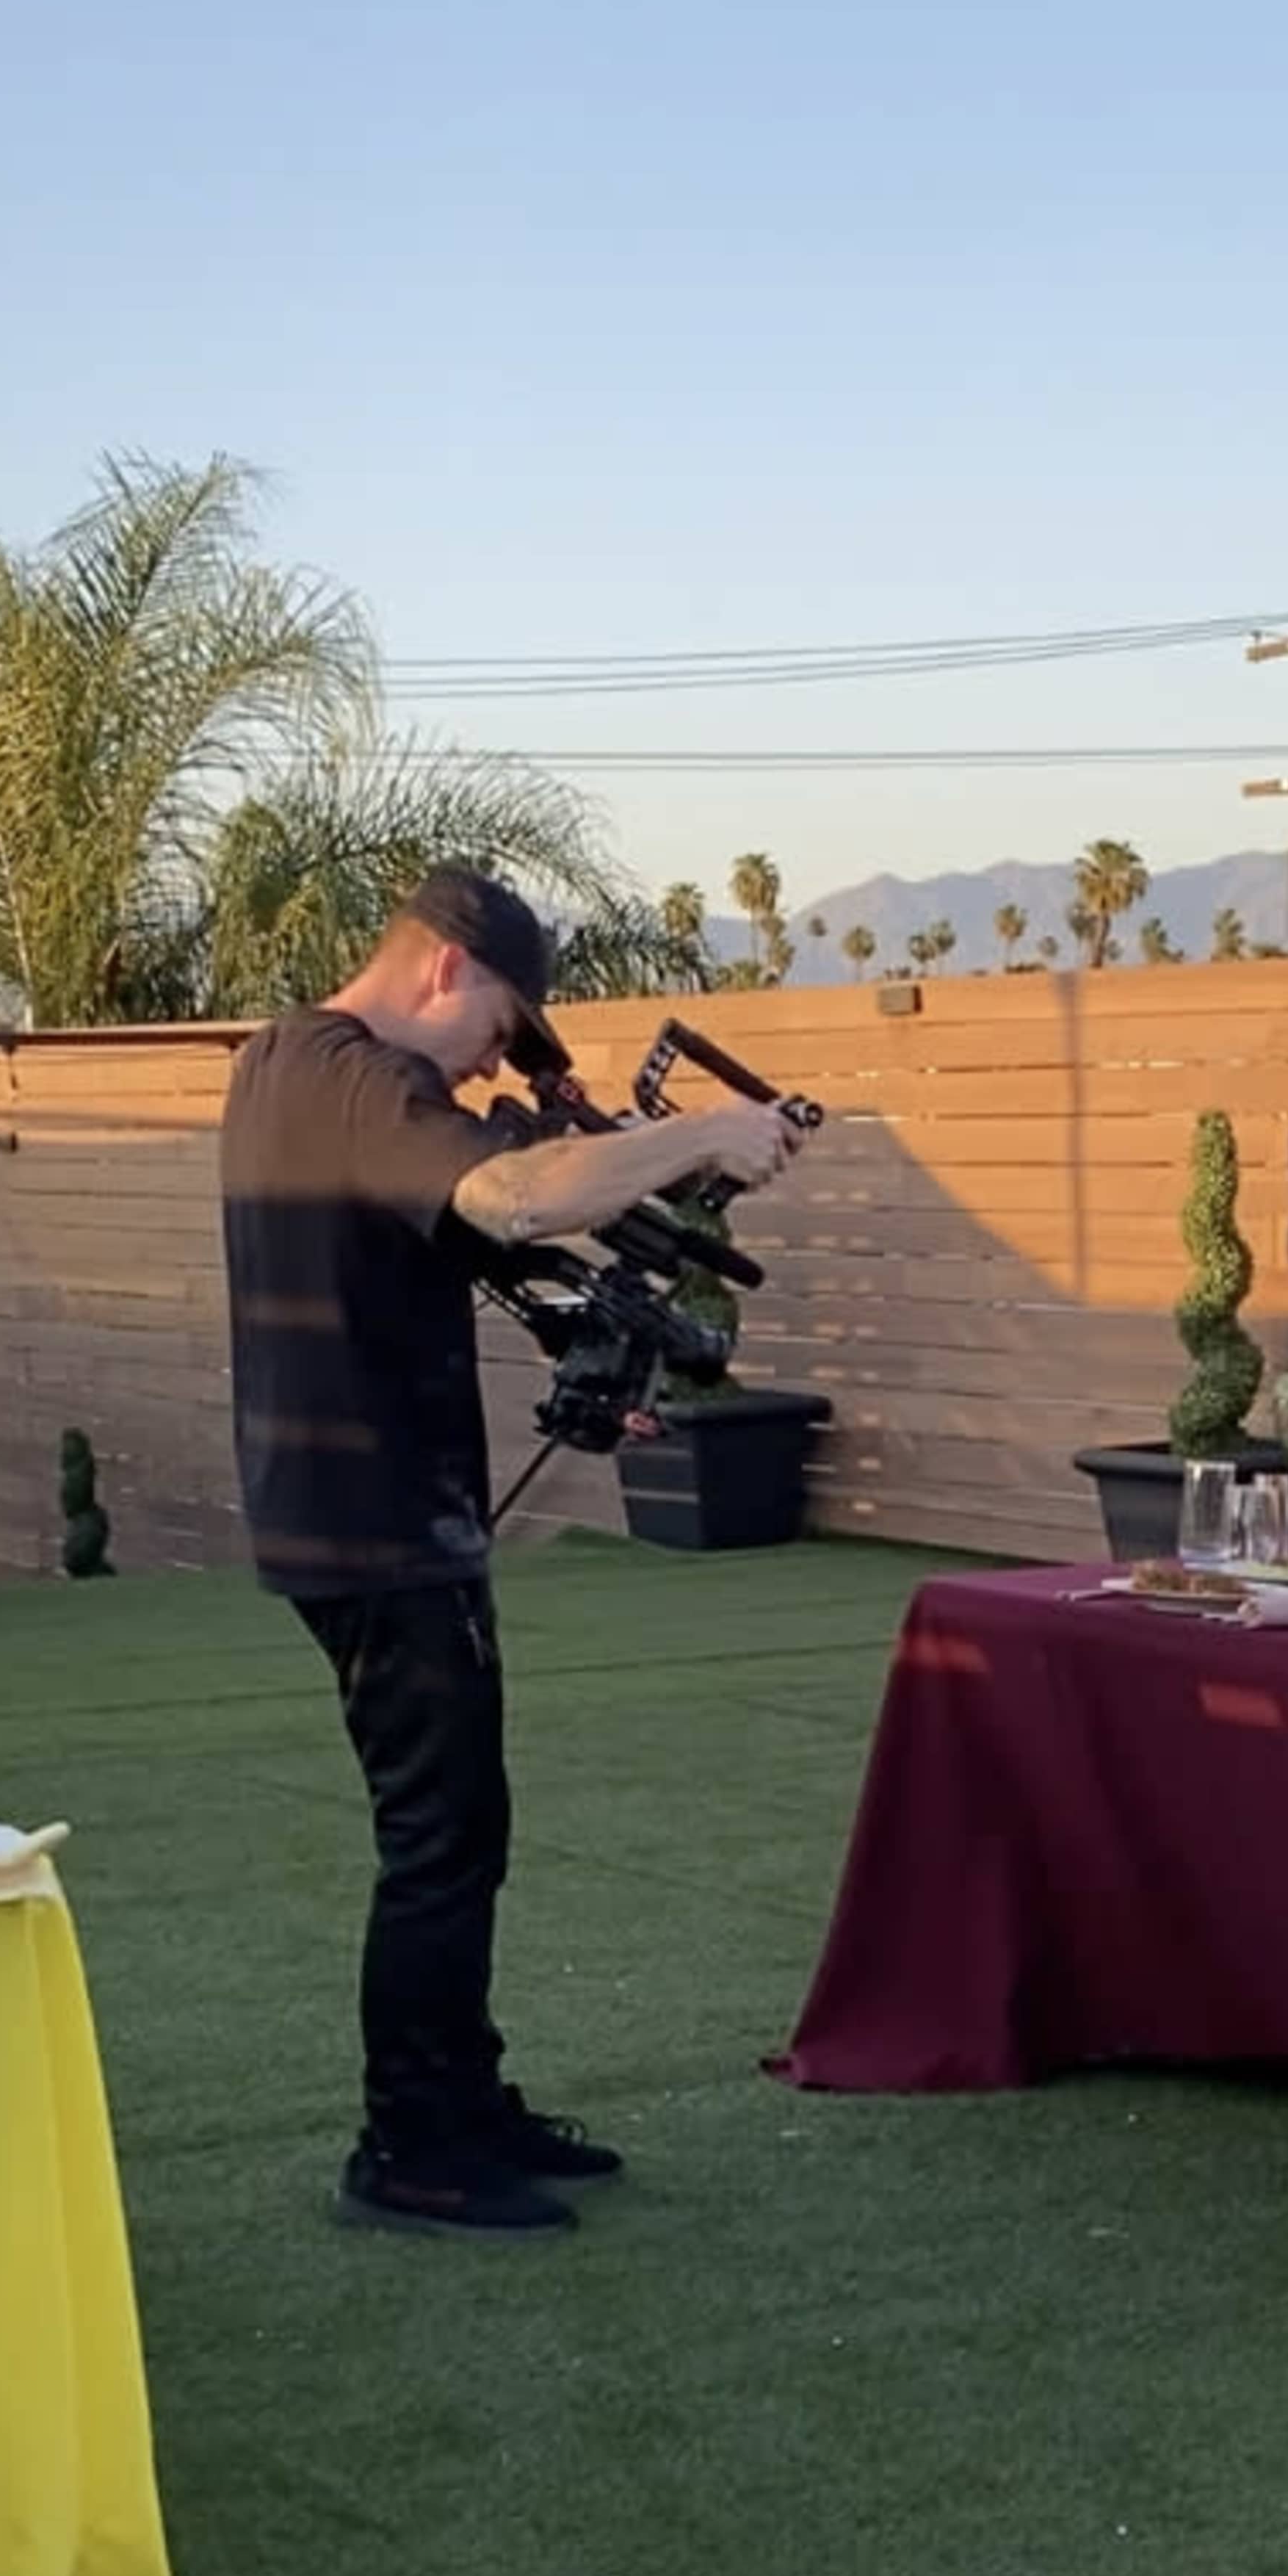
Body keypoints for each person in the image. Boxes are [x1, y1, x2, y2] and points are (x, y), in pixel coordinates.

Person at [220, 867, 798, 2238]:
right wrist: (705, 1133)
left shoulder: (302, 1079)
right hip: (374, 1521)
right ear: (443, 971)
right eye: (499, 1028)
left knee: (460, 1827)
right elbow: (521, 1200)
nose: (496, 1061)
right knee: (437, 1837)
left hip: (363, 1508)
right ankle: (410, 2147)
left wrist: (597, 1338)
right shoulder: (349, 1077)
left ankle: (461, 2102)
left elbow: (470, 1246)